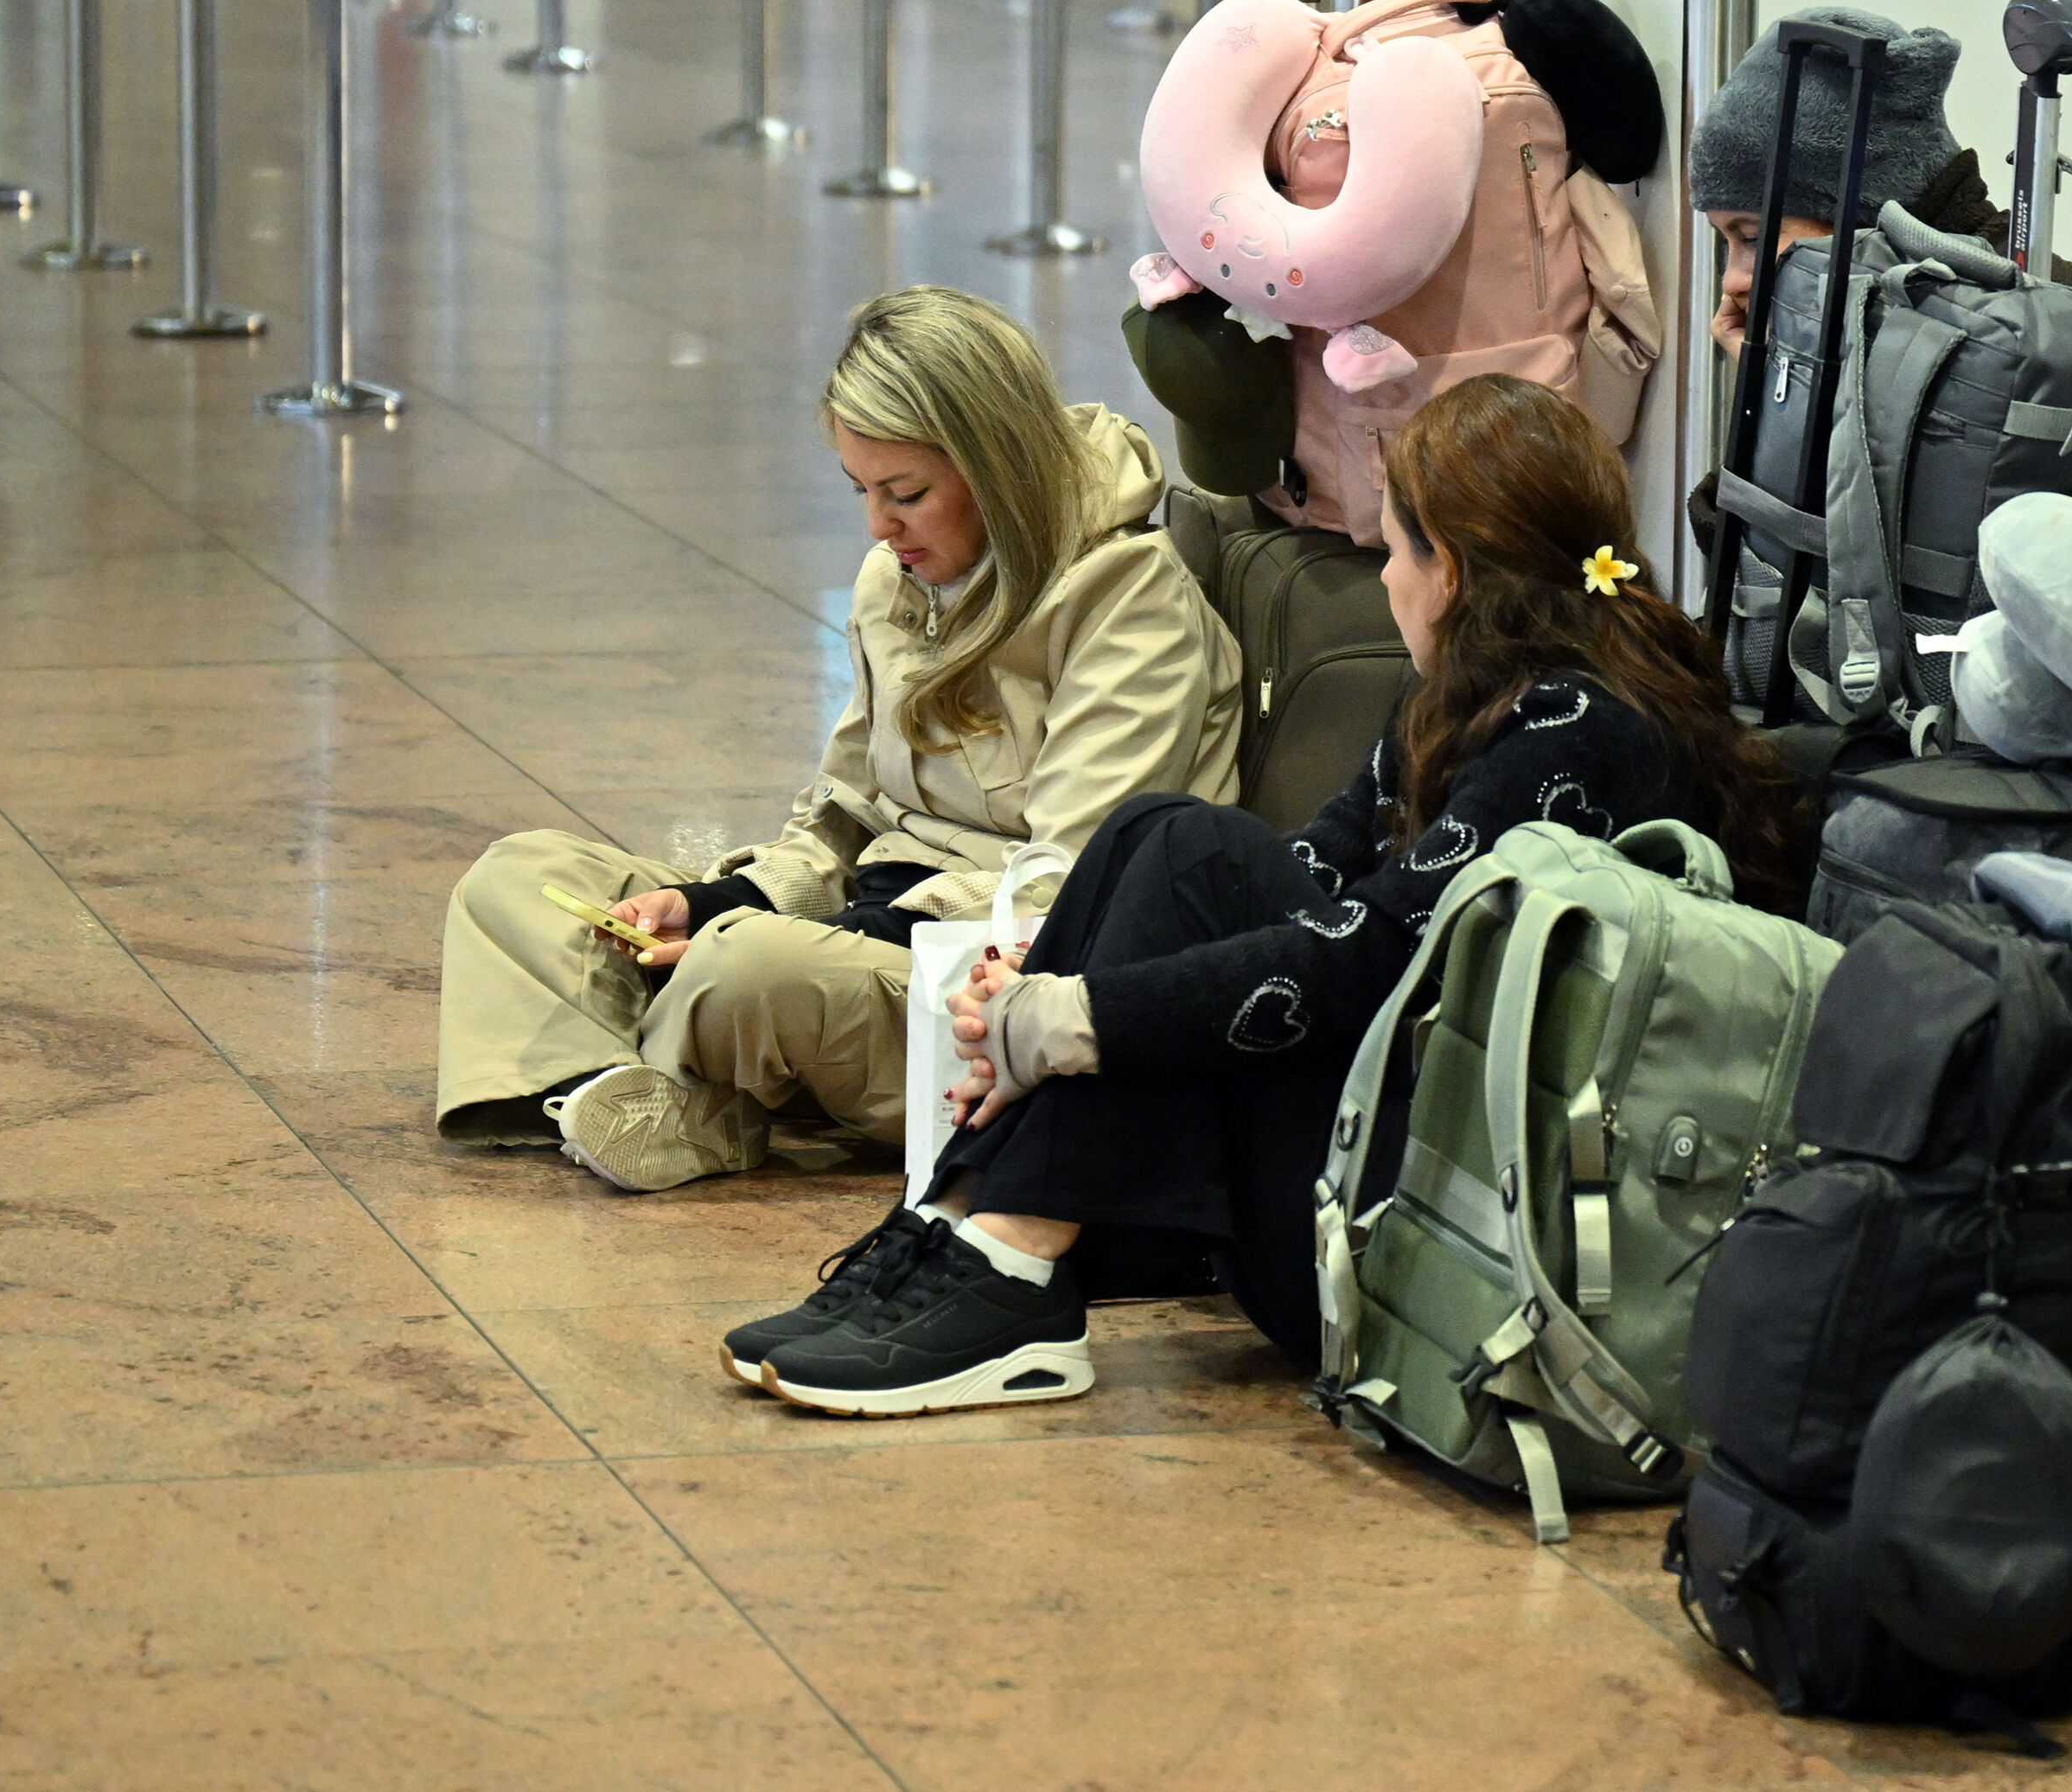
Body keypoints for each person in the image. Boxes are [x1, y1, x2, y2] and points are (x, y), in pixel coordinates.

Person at [718, 373, 1808, 1417]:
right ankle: (970, 1226)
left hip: (1446, 1259)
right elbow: (1320, 877)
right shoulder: (1469, 701)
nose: (1381, 576)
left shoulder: (1585, 731)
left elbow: (1362, 956)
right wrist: (1050, 1001)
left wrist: (1074, 1017)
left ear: (1456, 571)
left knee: (1195, 851)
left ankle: (1006, 1260)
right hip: (1392, 1170)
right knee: (1160, 834)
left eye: (1393, 548)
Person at [434, 288, 1241, 1187]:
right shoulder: (895, 576)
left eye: (906, 493)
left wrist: (834, 931)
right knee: (522, 876)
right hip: (861, 931)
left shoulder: (1131, 601)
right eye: (861, 490)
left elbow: (1066, 892)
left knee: (745, 968)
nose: (877, 526)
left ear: (999, 466)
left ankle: (645, 1078)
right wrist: (718, 899)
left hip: (992, 983)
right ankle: (624, 1089)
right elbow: (842, 810)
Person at [1688, 6, 2001, 358]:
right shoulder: (1884, 337)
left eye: (1754, 238)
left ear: (1868, 219)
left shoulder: (2029, 343)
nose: (1732, 282)